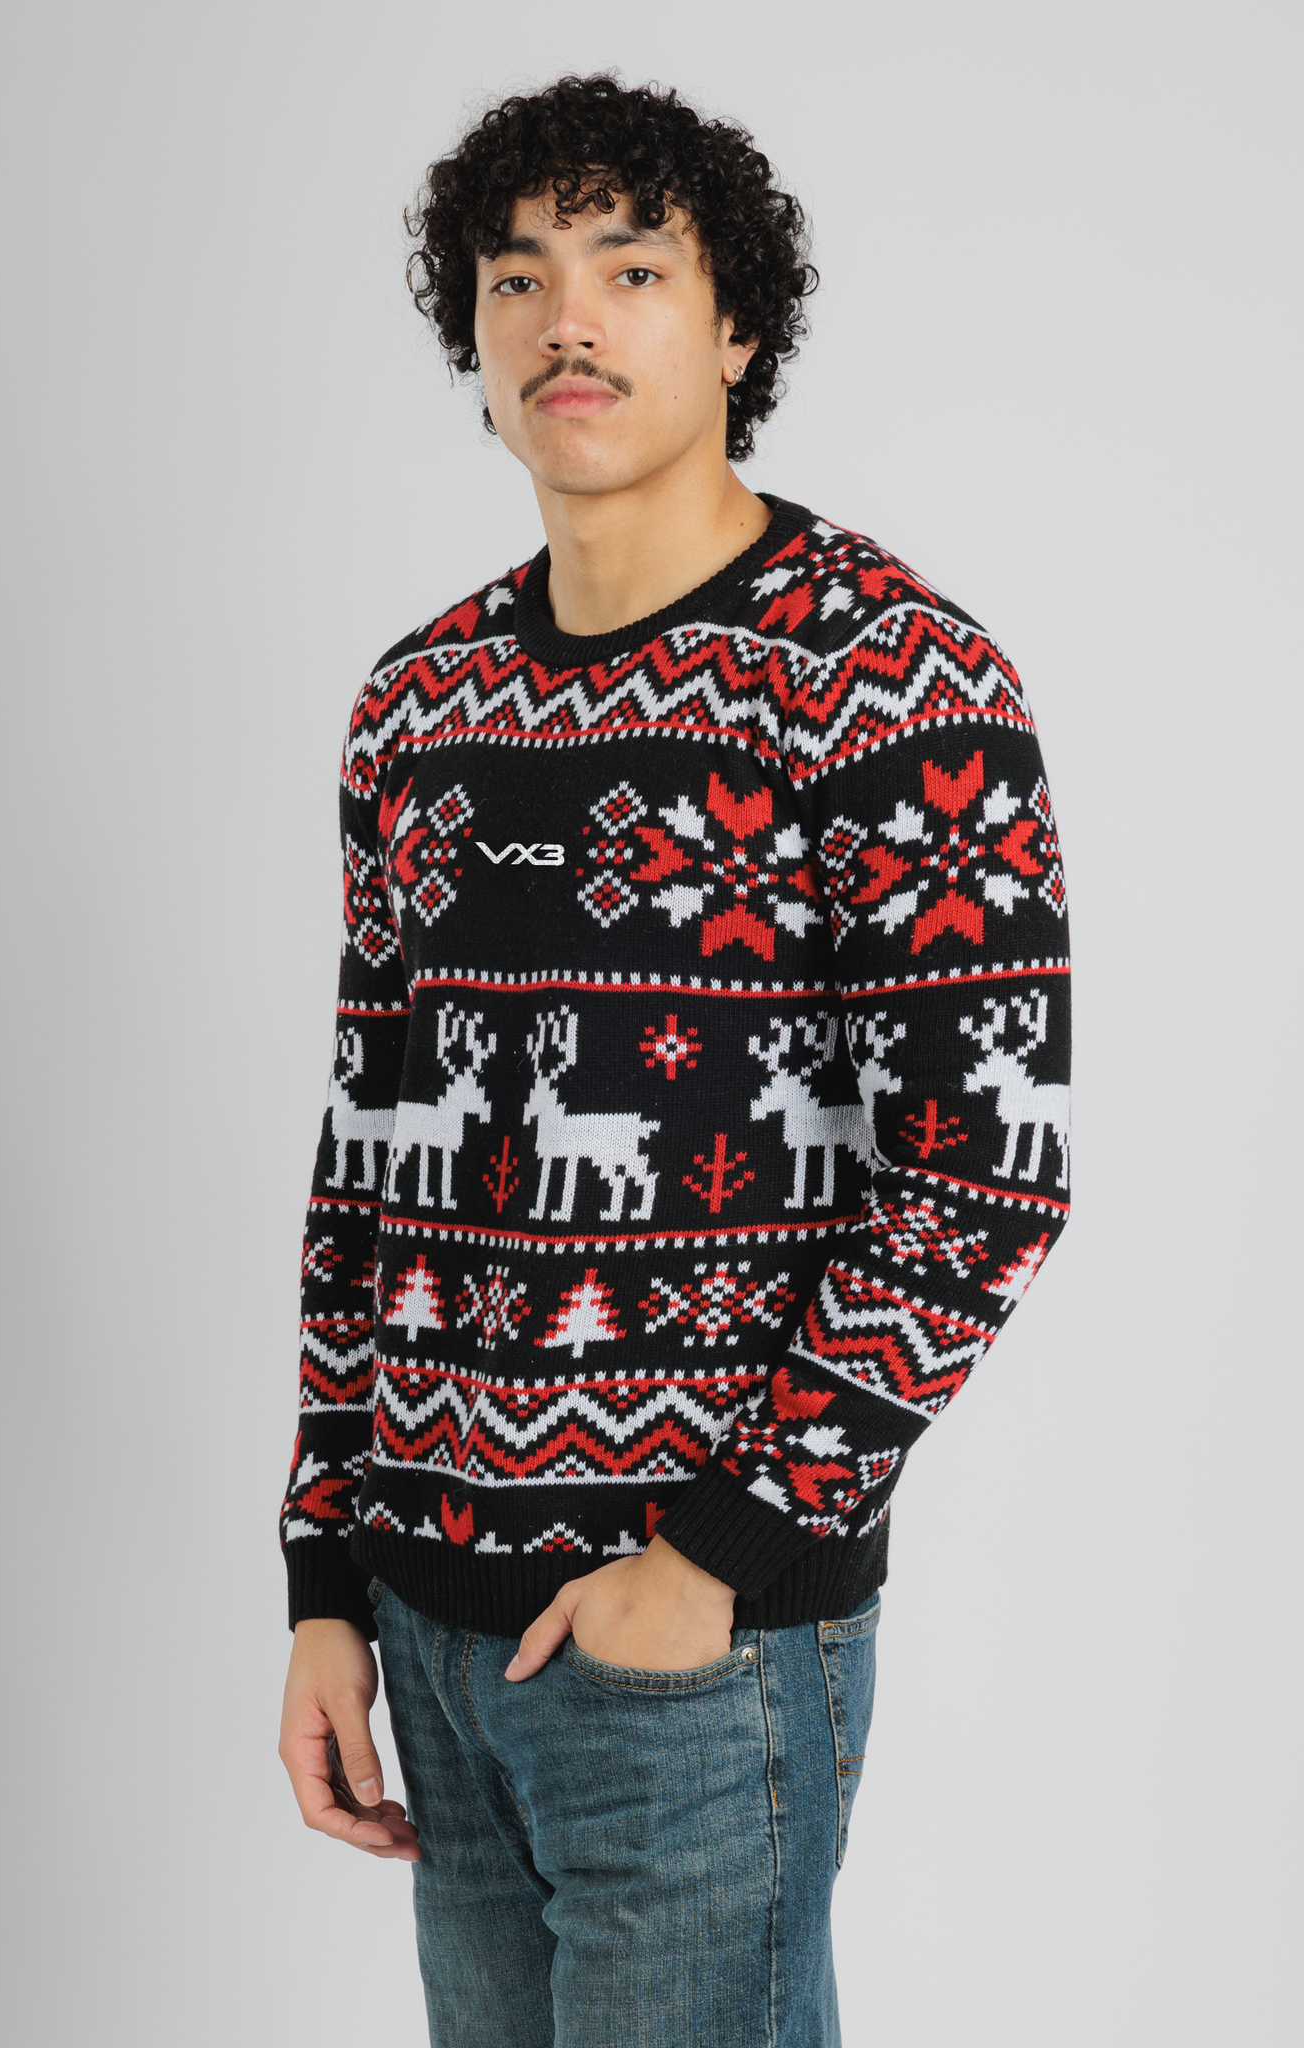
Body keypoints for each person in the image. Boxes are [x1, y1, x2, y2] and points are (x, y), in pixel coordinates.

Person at [277, 73, 1071, 2048]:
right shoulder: (420, 704)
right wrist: (325, 1578)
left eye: (632, 270)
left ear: (734, 330)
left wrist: (716, 1554)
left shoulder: (883, 675)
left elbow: (986, 1170)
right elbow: (369, 1160)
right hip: (429, 1627)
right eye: (518, 277)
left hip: (690, 1644)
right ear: (474, 336)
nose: (567, 320)